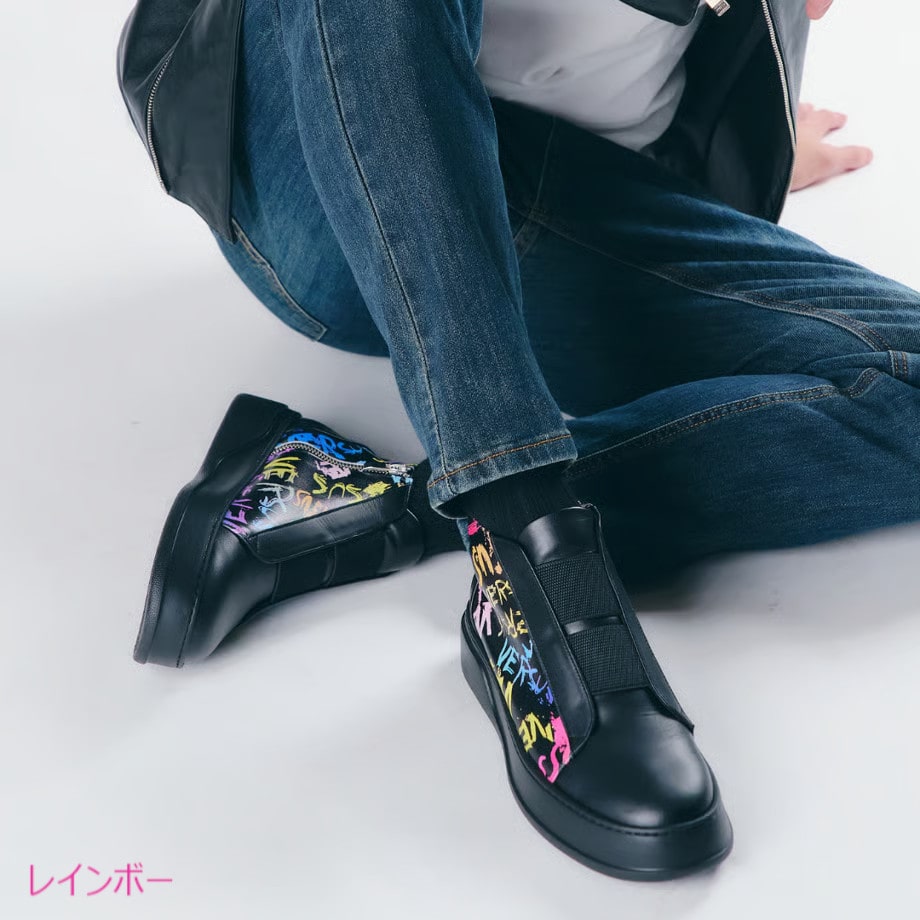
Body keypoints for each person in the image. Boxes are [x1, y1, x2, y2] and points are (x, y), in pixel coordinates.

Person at [117, 0, 918, 880]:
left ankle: (374, 496)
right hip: (320, 163)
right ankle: (521, 535)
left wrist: (754, 136)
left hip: (573, 192)